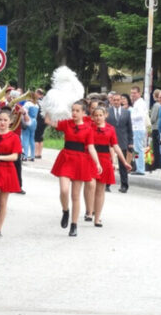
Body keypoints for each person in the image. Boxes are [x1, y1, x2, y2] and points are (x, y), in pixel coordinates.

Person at [46, 100, 102, 237]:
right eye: (73, 110)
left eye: (77, 111)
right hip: (66, 158)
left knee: (75, 196)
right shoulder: (66, 123)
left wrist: (98, 163)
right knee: (64, 190)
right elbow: (49, 121)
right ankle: (65, 210)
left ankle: (74, 224)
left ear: (84, 113)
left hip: (80, 161)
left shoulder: (88, 129)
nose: (74, 113)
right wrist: (48, 107)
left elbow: (91, 147)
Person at [90, 107, 130, 227]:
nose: (98, 117)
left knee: (100, 190)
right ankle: (89, 208)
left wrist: (124, 162)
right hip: (91, 159)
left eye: (100, 115)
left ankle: (97, 218)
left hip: (104, 160)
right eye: (96, 115)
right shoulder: (90, 127)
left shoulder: (110, 129)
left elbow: (115, 146)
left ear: (105, 115)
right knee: (91, 185)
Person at [0, 109, 22, 238]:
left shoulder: (14, 137)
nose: (2, 122)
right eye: (0, 120)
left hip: (7, 169)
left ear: (11, 122)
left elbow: (14, 157)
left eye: (5, 120)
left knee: (4, 202)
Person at [106, 94, 133, 193]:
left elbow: (129, 128)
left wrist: (130, 142)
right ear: (111, 101)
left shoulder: (127, 113)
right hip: (109, 141)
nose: (116, 102)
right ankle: (106, 184)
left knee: (123, 164)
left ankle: (124, 185)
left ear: (121, 100)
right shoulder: (107, 112)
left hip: (122, 140)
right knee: (109, 163)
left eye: (118, 100)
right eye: (114, 100)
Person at [129, 86, 148, 174]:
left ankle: (140, 169)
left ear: (139, 93)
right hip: (136, 128)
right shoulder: (136, 103)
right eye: (132, 93)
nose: (133, 95)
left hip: (138, 128)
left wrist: (130, 118)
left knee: (138, 149)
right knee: (136, 149)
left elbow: (140, 115)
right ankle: (138, 167)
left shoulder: (140, 103)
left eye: (134, 93)